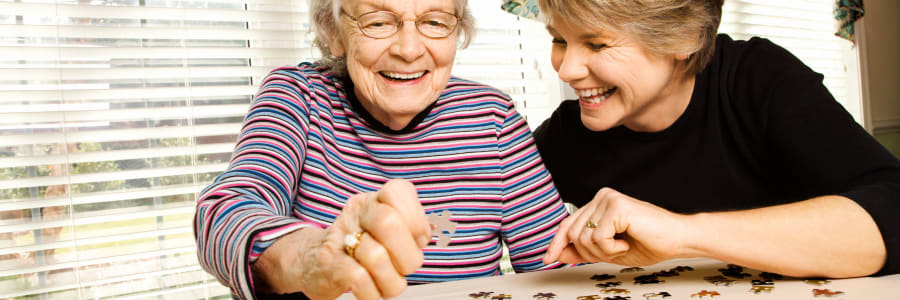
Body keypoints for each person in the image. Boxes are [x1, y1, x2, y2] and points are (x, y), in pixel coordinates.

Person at [192, 0, 570, 299]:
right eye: (377, 21)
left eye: (435, 22)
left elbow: (561, 270)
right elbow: (226, 212)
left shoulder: (493, 119)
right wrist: (311, 256)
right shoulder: (298, 97)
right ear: (334, 32)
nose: (408, 50)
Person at [533, 0, 900, 278]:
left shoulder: (759, 79)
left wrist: (681, 234)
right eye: (559, 40)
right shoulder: (565, 136)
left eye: (597, 44)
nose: (567, 70)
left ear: (685, 38)